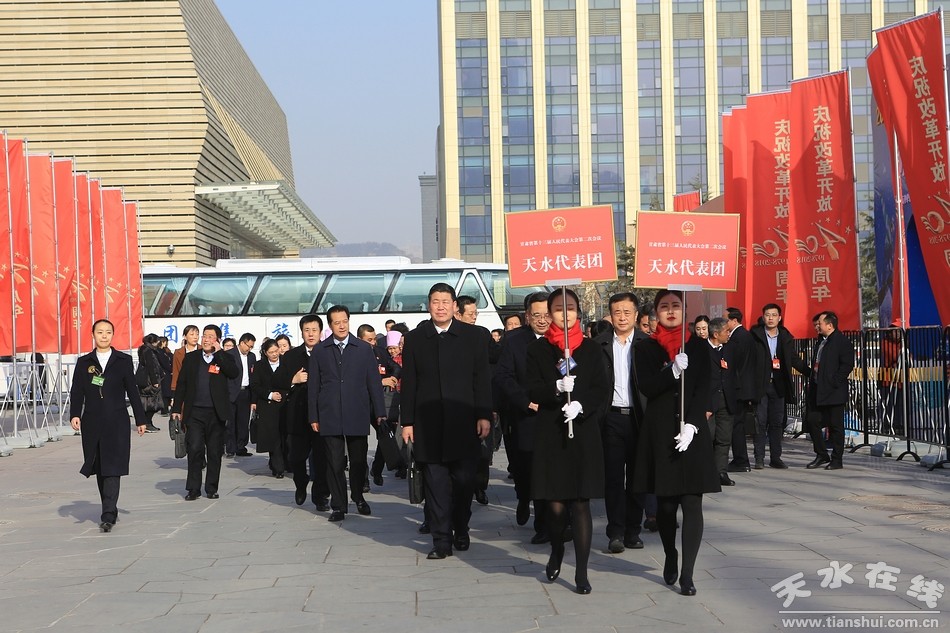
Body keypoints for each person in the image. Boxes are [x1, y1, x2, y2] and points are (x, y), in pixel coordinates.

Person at [633, 290, 720, 597]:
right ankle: (670, 553)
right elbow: (648, 387)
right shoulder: (646, 348)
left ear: (684, 309)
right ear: (656, 313)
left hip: (691, 433)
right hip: (660, 432)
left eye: (675, 305)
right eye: (664, 306)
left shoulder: (697, 345)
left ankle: (688, 573)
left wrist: (693, 424)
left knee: (692, 502)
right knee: (667, 506)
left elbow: (704, 388)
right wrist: (672, 371)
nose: (670, 311)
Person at [526, 288, 609, 595]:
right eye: (559, 309)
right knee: (556, 504)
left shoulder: (591, 349)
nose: (565, 313)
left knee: (581, 502)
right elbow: (531, 388)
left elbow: (601, 387)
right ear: (550, 314)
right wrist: (556, 388)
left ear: (578, 312)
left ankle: (582, 572)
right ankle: (557, 550)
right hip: (552, 432)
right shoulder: (539, 350)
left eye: (570, 308)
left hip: (583, 431)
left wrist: (581, 405)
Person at [401, 283, 492, 560]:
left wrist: (484, 414)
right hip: (428, 424)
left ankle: (461, 527)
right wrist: (407, 422)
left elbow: (481, 379)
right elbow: (410, 383)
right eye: (435, 302)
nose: (440, 307)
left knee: (464, 482)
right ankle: (441, 540)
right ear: (428, 305)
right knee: (436, 486)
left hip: (464, 422)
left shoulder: (474, 336)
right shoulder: (416, 338)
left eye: (445, 302)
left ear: (454, 306)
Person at [308, 306, 387, 522]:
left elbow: (374, 382)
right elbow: (313, 386)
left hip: (357, 410)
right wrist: (313, 416)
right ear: (330, 325)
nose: (342, 326)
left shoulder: (363, 349)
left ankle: (358, 497)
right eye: (337, 322)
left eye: (345, 321)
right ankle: (338, 505)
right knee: (334, 463)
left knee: (358, 460)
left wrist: (380, 412)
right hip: (330, 413)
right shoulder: (320, 350)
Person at [69, 319, 148, 532]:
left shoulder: (122, 360)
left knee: (113, 466)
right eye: (100, 332)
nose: (104, 336)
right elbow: (77, 390)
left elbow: (132, 391)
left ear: (113, 335)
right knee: (100, 466)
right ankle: (109, 505)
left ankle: (108, 513)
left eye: (108, 332)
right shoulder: (84, 362)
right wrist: (75, 414)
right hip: (92, 422)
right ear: (93, 335)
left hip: (117, 421)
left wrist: (141, 419)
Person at [493, 291, 550, 545]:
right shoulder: (514, 341)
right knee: (528, 469)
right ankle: (524, 497)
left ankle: (547, 523)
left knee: (550, 470)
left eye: (547, 314)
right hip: (526, 415)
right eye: (536, 315)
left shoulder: (564, 339)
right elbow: (503, 376)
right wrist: (526, 401)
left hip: (557, 415)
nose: (542, 320)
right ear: (527, 316)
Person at [595, 292, 648, 554]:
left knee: (638, 478)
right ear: (611, 315)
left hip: (640, 418)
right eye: (618, 312)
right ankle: (615, 531)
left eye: (627, 312)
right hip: (611, 418)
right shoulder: (599, 345)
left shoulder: (648, 344)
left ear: (636, 315)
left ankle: (633, 530)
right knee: (614, 478)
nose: (623, 317)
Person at [171, 324, 239, 500]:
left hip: (216, 414)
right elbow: (182, 384)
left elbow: (233, 373)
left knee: (215, 452)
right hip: (195, 412)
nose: (206, 339)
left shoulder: (224, 357)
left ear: (217, 340)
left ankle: (211, 488)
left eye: (211, 336)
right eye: (205, 336)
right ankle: (193, 488)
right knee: (194, 448)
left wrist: (219, 354)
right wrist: (176, 408)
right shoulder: (192, 358)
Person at [273, 314, 331, 512]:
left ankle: (321, 495)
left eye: (314, 330)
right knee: (296, 458)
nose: (311, 334)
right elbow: (277, 381)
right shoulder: (291, 356)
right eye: (307, 330)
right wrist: (293, 379)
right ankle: (300, 482)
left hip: (322, 414)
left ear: (320, 332)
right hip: (298, 415)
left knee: (322, 459)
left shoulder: (328, 352)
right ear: (301, 332)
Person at [750, 304, 810, 469]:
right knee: (760, 422)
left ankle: (775, 457)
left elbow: (794, 359)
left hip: (778, 385)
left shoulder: (785, 336)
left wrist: (810, 373)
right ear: (763, 317)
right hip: (760, 385)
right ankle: (759, 458)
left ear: (779, 318)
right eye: (767, 315)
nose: (771, 318)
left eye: (774, 315)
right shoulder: (755, 336)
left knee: (777, 422)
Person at [805, 311, 855, 470]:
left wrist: (834, 381)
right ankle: (821, 454)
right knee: (812, 421)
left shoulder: (841, 341)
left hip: (834, 391)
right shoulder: (821, 341)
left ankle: (837, 459)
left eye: (820, 323)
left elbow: (847, 365)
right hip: (818, 389)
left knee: (836, 426)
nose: (817, 326)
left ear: (829, 325)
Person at [722, 307, 764, 473]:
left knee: (737, 425)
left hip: (740, 388)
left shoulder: (739, 337)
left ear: (734, 320)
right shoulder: (742, 336)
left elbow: (735, 363)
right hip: (743, 387)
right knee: (737, 425)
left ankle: (741, 460)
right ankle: (740, 459)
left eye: (725, 319)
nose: (724, 323)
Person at [705, 318, 735, 486]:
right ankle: (706, 471)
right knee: (708, 437)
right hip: (708, 401)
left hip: (726, 400)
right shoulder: (702, 350)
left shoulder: (729, 349)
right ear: (716, 334)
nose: (728, 334)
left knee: (724, 438)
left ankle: (721, 472)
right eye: (726, 331)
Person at [250, 339, 286, 478]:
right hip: (267, 406)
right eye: (271, 352)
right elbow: (255, 385)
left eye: (276, 351)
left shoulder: (286, 363)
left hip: (284, 404)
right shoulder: (259, 366)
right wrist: (269, 395)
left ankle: (282, 463)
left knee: (284, 437)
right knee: (273, 437)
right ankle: (278, 467)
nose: (275, 354)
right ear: (265, 353)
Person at [225, 332, 256, 458]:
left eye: (252, 347)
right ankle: (230, 448)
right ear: (242, 343)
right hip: (232, 392)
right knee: (231, 422)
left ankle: (241, 447)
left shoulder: (252, 357)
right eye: (248, 346)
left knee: (243, 422)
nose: (249, 349)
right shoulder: (229, 354)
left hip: (246, 392)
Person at [137, 333, 164, 433]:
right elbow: (150, 366)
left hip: (147, 380)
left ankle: (148, 422)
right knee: (153, 403)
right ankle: (147, 423)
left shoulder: (144, 349)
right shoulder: (148, 351)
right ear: (153, 342)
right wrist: (154, 381)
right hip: (149, 381)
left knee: (149, 403)